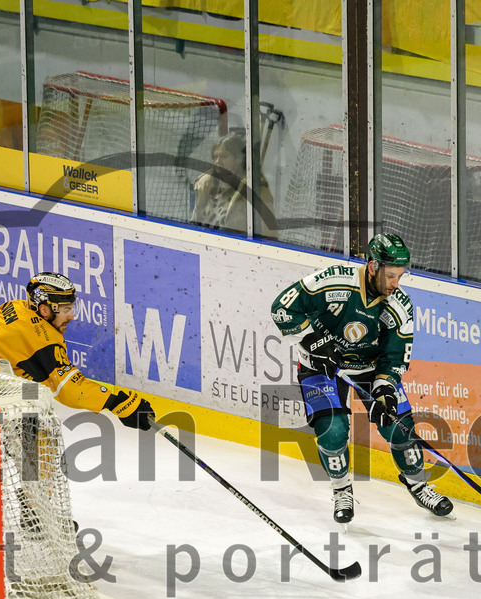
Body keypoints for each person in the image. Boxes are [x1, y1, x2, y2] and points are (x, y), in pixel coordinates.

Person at [270, 233, 453, 524]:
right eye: (391, 275)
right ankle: (342, 490)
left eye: (400, 276)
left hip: (369, 368)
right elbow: (283, 307)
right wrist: (314, 343)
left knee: (399, 428)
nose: (396, 283)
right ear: (372, 267)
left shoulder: (400, 307)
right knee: (332, 430)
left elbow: (394, 359)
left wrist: (385, 391)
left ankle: (419, 485)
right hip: (322, 367)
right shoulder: (332, 281)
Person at [0, 272, 156, 509]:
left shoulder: (14, 307)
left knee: (9, 414)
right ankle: (35, 513)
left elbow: (22, 369)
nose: (71, 315)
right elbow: (70, 390)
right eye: (65, 309)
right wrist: (119, 402)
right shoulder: (42, 338)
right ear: (45, 309)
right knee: (39, 436)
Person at [191, 131, 277, 239]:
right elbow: (194, 224)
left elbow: (269, 234)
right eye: (215, 157)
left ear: (238, 159)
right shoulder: (205, 185)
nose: (217, 161)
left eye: (223, 156)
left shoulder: (256, 189)